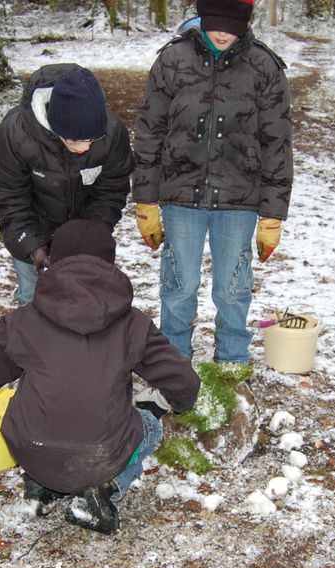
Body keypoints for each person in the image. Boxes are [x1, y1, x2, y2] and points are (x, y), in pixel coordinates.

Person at [0, 220, 201, 535]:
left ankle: (39, 487)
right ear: (109, 264)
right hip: (99, 456)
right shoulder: (132, 323)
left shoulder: (23, 320)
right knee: (151, 426)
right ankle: (100, 493)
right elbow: (183, 382)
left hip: (30, 448)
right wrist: (182, 404)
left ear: (55, 260)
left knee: (27, 407)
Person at [133, 0, 293, 364]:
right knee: (179, 286)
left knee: (233, 289)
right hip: (180, 195)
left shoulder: (263, 67)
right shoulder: (172, 60)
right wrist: (145, 200)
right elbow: (149, 133)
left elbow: (277, 144)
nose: (223, 33)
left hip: (239, 198)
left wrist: (272, 214)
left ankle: (232, 363)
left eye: (233, 25)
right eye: (216, 23)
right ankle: (173, 364)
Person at [0, 64, 133, 307]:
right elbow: (9, 200)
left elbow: (111, 192)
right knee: (33, 302)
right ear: (56, 126)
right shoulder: (14, 136)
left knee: (85, 304)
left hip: (83, 231)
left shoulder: (113, 134)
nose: (84, 148)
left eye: (91, 140)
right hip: (32, 227)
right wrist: (33, 247)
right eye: (75, 140)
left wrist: (90, 238)